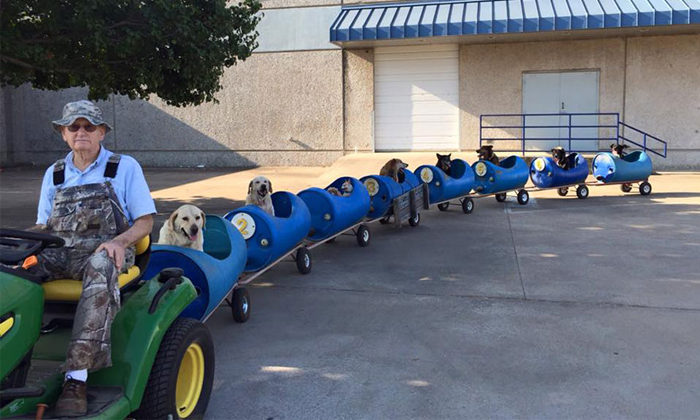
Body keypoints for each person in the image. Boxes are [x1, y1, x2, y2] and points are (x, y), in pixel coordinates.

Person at [29, 100, 156, 417]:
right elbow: (43, 225)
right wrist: (24, 247)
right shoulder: (54, 173)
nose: (81, 132)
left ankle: (77, 379)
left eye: (88, 126)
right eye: (74, 127)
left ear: (102, 132)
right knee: (13, 270)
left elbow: (145, 221)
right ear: (63, 134)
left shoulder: (123, 167)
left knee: (100, 266)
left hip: (107, 249)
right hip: (62, 250)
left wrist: (119, 242)